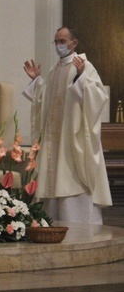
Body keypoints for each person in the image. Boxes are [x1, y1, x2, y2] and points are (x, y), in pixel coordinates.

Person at [22, 26, 111, 224]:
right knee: (52, 179)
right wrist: (37, 80)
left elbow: (97, 97)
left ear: (74, 43)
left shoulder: (84, 66)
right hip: (54, 139)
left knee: (72, 176)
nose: (59, 45)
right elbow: (45, 98)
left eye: (62, 41)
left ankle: (81, 226)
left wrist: (80, 77)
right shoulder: (54, 70)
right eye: (56, 42)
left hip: (72, 137)